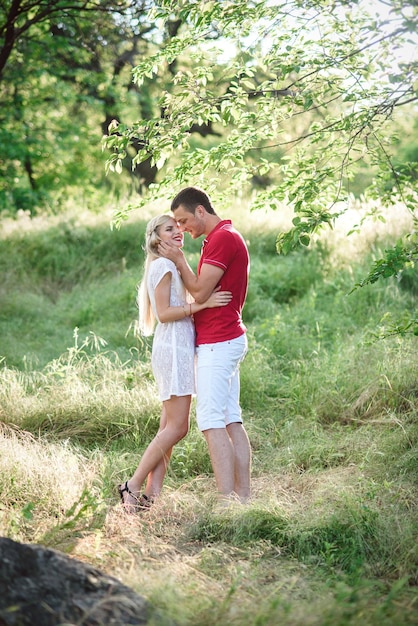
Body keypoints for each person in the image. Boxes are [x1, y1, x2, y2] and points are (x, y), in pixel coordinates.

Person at [118, 214, 232, 514]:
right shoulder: (165, 265)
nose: (178, 231)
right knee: (178, 427)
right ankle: (132, 485)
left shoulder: (166, 265)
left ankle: (153, 495)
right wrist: (204, 304)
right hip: (173, 348)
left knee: (168, 426)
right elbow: (165, 314)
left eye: (178, 227)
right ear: (157, 237)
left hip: (176, 347)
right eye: (170, 228)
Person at [158, 187, 251, 505]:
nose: (182, 229)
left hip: (219, 341)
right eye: (176, 224)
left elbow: (198, 292)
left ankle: (227, 502)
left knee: (212, 420)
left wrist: (180, 260)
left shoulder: (224, 238)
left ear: (200, 211)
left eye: (183, 221)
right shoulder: (220, 238)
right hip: (223, 338)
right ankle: (243, 499)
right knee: (230, 418)